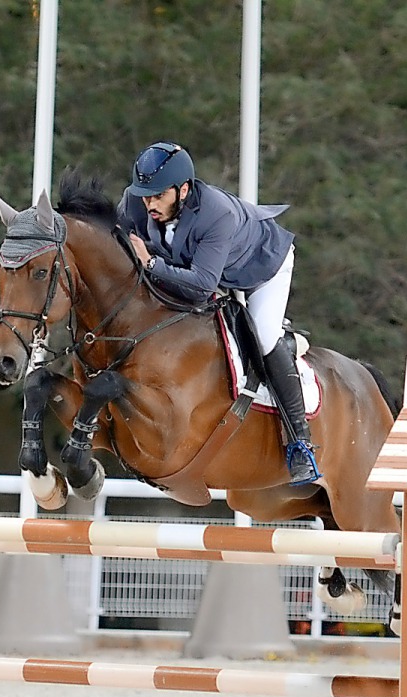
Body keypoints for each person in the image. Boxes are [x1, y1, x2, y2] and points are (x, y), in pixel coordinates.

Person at [117, 141, 320, 486]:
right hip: (208, 268)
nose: (149, 204)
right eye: (144, 196)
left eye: (157, 197)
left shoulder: (216, 213)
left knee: (264, 334)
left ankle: (300, 440)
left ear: (183, 190)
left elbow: (199, 286)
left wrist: (150, 263)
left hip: (260, 268)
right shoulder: (137, 203)